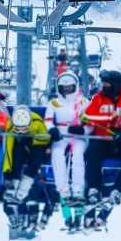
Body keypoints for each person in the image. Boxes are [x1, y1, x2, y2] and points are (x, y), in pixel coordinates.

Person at [81, 70, 121, 228]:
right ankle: (93, 189)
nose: (104, 87)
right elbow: (88, 117)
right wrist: (100, 123)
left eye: (107, 84)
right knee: (92, 154)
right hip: (103, 139)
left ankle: (118, 190)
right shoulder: (98, 99)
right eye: (103, 84)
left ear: (116, 85)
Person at [1, 104, 56, 238]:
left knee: (35, 160)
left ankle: (21, 191)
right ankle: (13, 187)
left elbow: (46, 138)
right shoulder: (10, 125)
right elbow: (7, 150)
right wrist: (7, 172)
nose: (21, 130)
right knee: (17, 153)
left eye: (24, 128)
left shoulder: (36, 122)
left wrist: (47, 146)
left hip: (37, 144)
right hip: (20, 146)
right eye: (18, 128)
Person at [45, 71, 91, 229]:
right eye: (63, 88)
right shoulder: (55, 103)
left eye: (69, 88)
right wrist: (52, 129)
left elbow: (91, 122)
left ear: (75, 86)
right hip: (61, 134)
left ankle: (77, 191)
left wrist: (83, 130)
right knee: (57, 155)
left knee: (78, 155)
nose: (66, 91)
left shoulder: (83, 102)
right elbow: (48, 120)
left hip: (76, 135)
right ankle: (63, 191)